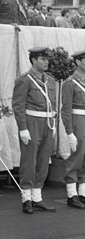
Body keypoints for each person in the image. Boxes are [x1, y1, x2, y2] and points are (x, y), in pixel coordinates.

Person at [12, 46, 57, 214]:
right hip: (32, 122)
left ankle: (37, 197)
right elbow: (18, 106)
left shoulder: (50, 80)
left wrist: (53, 123)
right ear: (33, 60)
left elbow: (52, 103)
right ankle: (26, 198)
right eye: (43, 59)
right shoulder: (25, 80)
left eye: (47, 59)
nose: (46, 62)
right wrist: (23, 128)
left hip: (47, 123)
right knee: (29, 161)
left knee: (43, 160)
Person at [61, 49, 85, 208]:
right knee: (77, 156)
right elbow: (66, 110)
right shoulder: (70, 82)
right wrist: (69, 132)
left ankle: (82, 192)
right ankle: (71, 194)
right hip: (78, 121)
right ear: (77, 62)